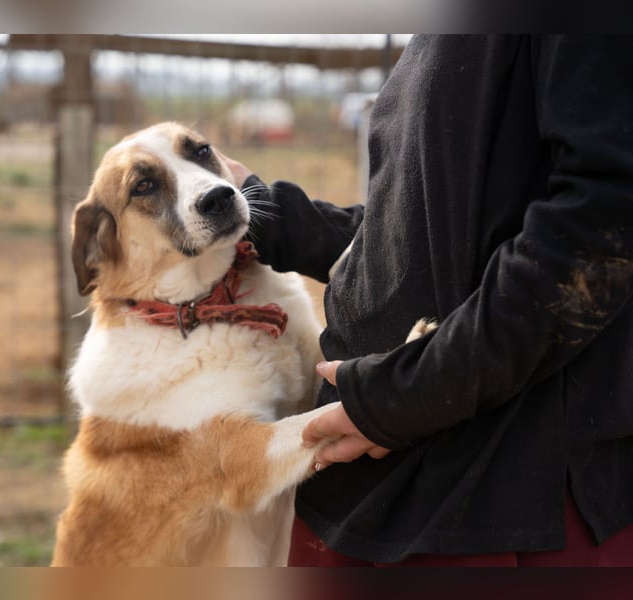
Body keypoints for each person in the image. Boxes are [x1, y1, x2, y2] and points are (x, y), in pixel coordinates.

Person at [221, 35, 633, 566]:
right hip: (392, 486)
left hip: (495, 509)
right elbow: (423, 246)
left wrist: (405, 398)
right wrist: (262, 210)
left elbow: (598, 231)